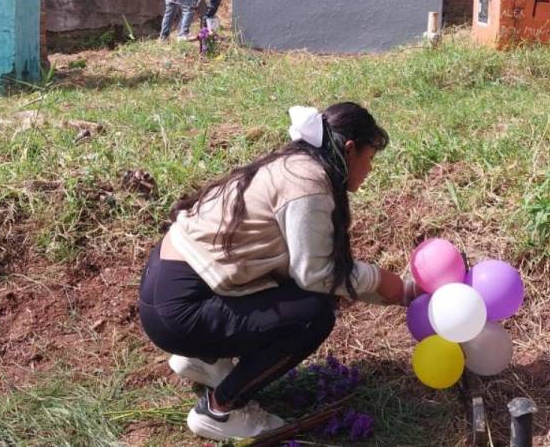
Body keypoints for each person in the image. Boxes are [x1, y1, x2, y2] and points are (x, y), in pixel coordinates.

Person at [138, 103, 417, 440]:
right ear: (349, 149)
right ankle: (220, 411)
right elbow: (316, 274)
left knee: (298, 294)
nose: (370, 169)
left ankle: (204, 360)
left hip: (168, 285)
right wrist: (382, 281)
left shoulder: (293, 165)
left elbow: (298, 265)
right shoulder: (309, 184)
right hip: (181, 310)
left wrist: (394, 291)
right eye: (370, 157)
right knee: (313, 315)